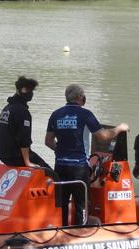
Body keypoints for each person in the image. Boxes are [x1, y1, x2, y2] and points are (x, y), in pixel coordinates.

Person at [45, 84, 129, 226]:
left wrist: (60, 151)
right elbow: (103, 136)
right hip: (78, 168)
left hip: (60, 167)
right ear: (79, 97)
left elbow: (48, 141)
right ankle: (80, 233)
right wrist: (119, 128)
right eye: (83, 94)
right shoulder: (85, 114)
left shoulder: (56, 114)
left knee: (62, 204)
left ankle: (63, 233)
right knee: (81, 205)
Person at [0, 76, 55, 178]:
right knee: (52, 175)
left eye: (31, 90)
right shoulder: (22, 112)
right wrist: (27, 162)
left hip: (4, 155)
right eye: (26, 89)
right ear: (19, 89)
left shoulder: (7, 108)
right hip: (15, 155)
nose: (30, 93)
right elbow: (23, 138)